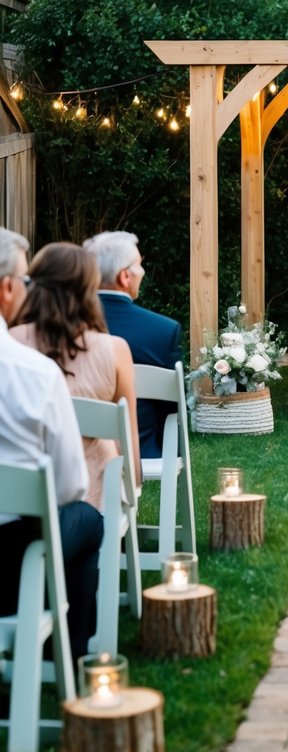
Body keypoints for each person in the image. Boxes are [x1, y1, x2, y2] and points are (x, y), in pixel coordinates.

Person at [0, 228, 103, 664]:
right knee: (84, 517)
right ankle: (68, 651)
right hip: (10, 558)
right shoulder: (34, 373)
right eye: (24, 280)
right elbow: (69, 486)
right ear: (6, 289)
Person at [10, 242, 141, 511]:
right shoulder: (115, 350)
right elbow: (130, 445)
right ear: (88, 292)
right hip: (97, 501)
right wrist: (134, 482)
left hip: (18, 495)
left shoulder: (10, 343)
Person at [83, 230, 181, 459]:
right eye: (139, 265)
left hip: (76, 450)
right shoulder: (163, 331)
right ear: (125, 276)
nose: (143, 272)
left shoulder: (61, 327)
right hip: (145, 451)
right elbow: (173, 410)